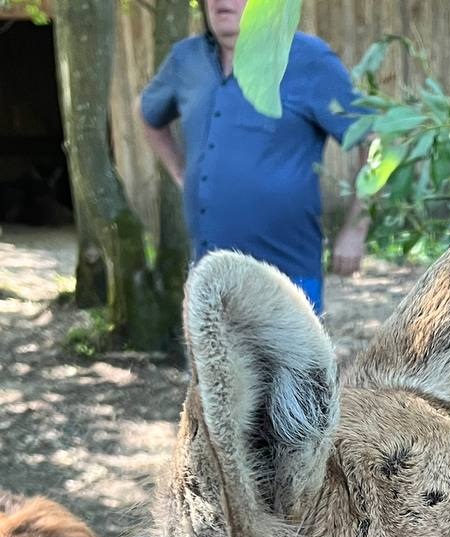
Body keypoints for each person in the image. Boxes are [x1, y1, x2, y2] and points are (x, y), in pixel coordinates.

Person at [139, 0, 371, 315]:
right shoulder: (186, 60)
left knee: (290, 366)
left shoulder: (308, 60)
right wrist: (181, 173)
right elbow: (146, 113)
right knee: (211, 366)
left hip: (288, 278)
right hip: (209, 279)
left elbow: (373, 141)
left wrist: (356, 230)